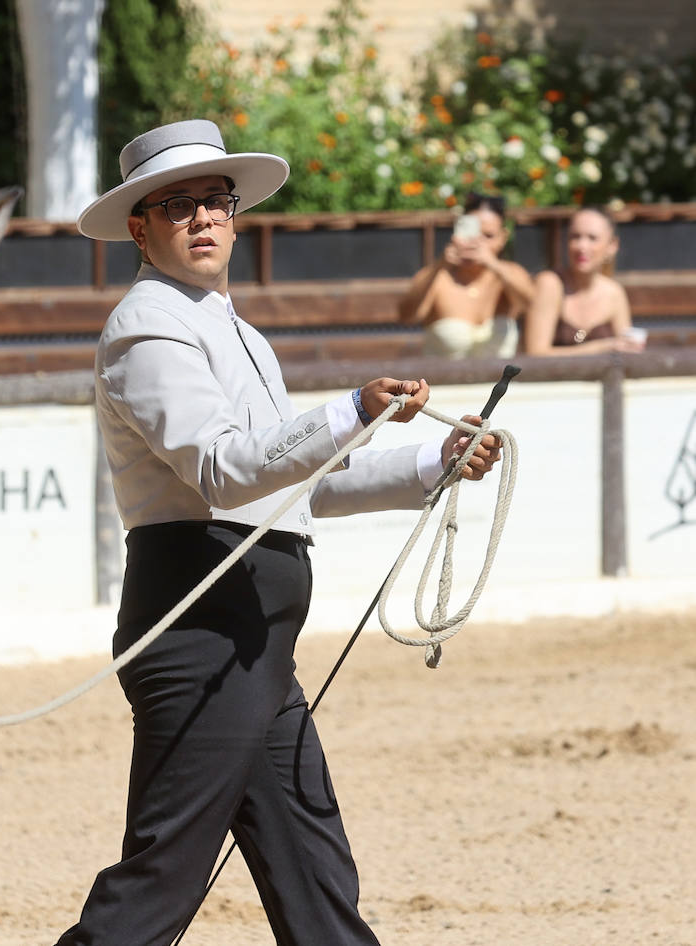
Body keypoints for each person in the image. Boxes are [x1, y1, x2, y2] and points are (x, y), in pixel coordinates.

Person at [61, 119, 503, 946]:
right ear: (140, 226)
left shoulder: (237, 333)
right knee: (159, 883)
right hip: (202, 636)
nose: (202, 219)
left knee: (315, 872)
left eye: (214, 203)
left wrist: (430, 461)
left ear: (234, 216)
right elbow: (227, 471)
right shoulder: (146, 329)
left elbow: (293, 484)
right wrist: (350, 410)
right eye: (178, 205)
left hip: (252, 644)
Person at [397, 191, 534, 358]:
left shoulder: (510, 274)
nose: (477, 242)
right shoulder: (437, 276)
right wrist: (439, 265)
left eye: (488, 236)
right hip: (443, 381)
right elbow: (407, 316)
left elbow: (530, 305)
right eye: (473, 232)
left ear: (502, 238)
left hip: (498, 383)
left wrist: (492, 263)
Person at [521, 206, 645, 355]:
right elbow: (535, 353)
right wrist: (603, 347)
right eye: (575, 237)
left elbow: (626, 350)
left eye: (592, 238)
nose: (582, 246)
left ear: (612, 246)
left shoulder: (614, 293)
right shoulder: (550, 283)